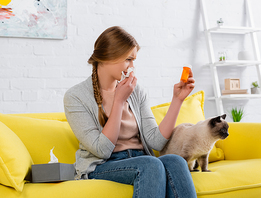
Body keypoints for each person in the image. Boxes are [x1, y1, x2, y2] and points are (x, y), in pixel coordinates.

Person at [64, 26, 197, 198]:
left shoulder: (136, 91)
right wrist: (119, 101)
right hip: (102, 165)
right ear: (108, 57)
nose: (132, 66)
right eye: (128, 59)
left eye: (133, 60)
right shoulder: (76, 97)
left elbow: (155, 142)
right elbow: (102, 150)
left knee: (176, 161)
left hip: (140, 158)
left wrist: (178, 99)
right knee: (150, 164)